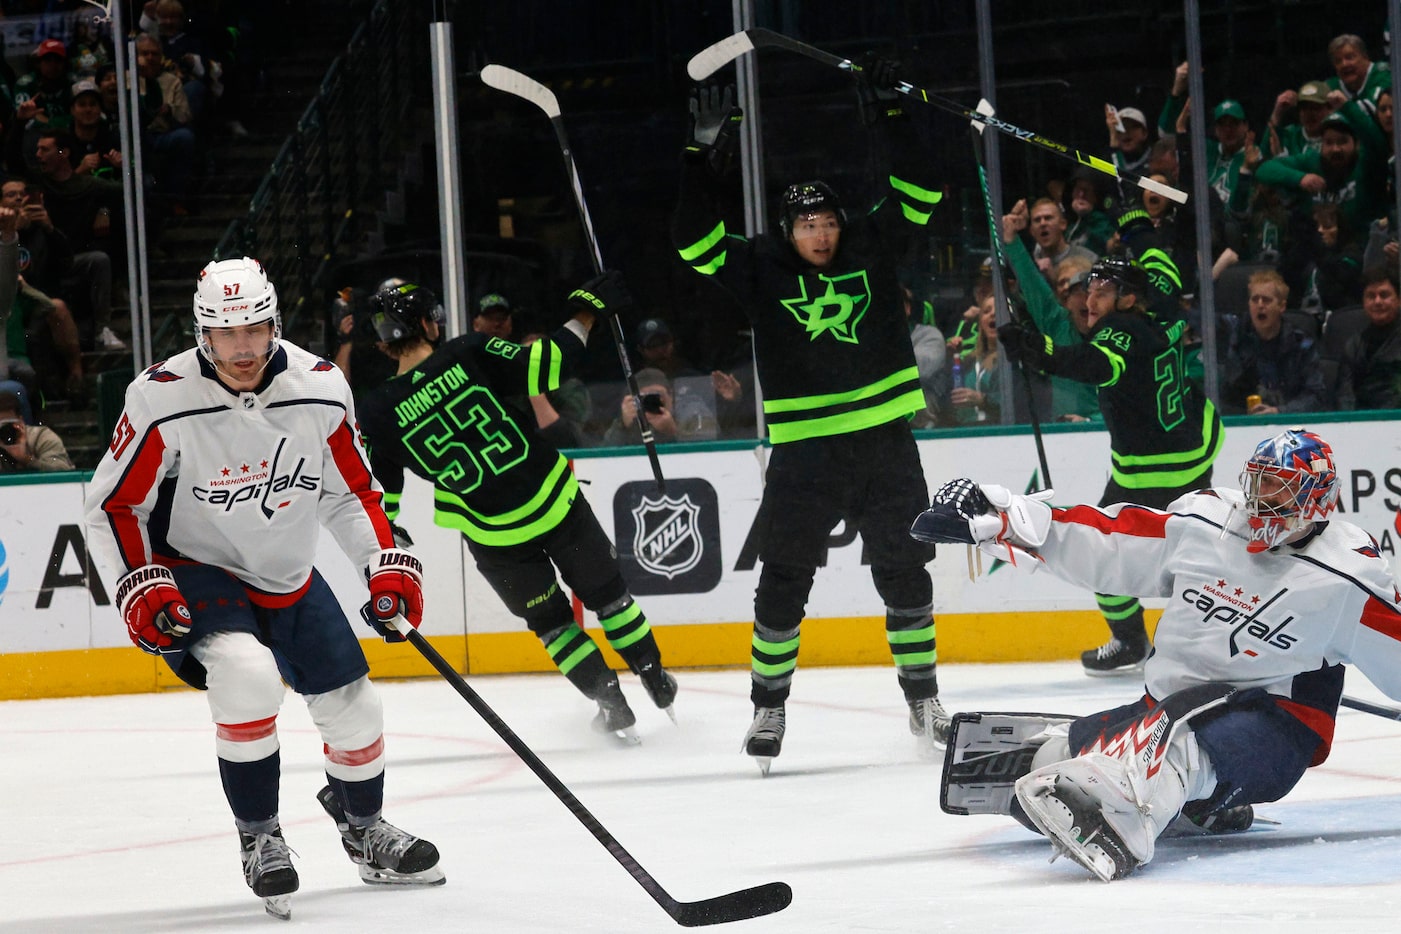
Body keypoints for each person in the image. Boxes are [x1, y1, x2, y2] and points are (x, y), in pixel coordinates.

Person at [83, 257, 443, 920]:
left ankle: (363, 827)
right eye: (226, 334)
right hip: (197, 564)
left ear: (274, 323)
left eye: (253, 328)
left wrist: (380, 561)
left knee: (356, 706)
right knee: (246, 675)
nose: (241, 347)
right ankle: (260, 837)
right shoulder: (160, 396)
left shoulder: (321, 385)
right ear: (202, 335)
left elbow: (351, 492)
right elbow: (113, 506)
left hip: (285, 571)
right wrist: (138, 583)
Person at [911, 428, 1401, 883]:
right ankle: (1196, 807)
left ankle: (1134, 821)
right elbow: (1112, 542)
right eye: (1257, 484)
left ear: (1314, 501)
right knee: (1048, 765)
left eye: (1279, 490)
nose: (1260, 501)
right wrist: (1008, 522)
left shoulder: (1350, 582)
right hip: (1166, 710)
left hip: (1272, 725)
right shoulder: (1207, 524)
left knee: (1173, 754)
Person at [672, 65, 950, 771]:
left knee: (905, 567)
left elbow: (922, 188)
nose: (819, 235)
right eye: (805, 225)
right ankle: (769, 707)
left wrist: (889, 117)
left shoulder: (869, 244)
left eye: (826, 222)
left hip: (884, 441)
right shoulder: (761, 265)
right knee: (783, 580)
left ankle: (923, 698)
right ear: (786, 229)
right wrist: (700, 157)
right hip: (805, 452)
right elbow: (692, 241)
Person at [355, 277, 678, 741]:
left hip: (494, 536)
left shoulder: (377, 410)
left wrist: (389, 530)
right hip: (554, 503)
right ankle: (654, 676)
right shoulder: (468, 351)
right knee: (610, 598)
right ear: (427, 323)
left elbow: (384, 488)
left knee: (551, 625)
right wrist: (586, 311)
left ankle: (610, 701)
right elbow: (546, 366)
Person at [999, 255, 1224, 675]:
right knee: (1195, 556)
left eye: (1103, 291)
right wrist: (1137, 228)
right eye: (1091, 290)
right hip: (1196, 448)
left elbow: (1095, 364)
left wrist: (1037, 349)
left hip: (1151, 471)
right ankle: (1204, 641)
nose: (1091, 299)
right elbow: (1165, 276)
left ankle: (1130, 639)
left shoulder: (1118, 330)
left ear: (1128, 298)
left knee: (1101, 552)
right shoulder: (1161, 312)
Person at [1220, 269, 1328, 415]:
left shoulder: (1302, 345)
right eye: (1254, 299)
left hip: (1289, 424)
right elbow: (1225, 395)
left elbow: (1316, 396)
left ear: (1281, 306)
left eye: (1266, 300)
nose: (1260, 305)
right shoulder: (1236, 338)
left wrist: (1279, 411)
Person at [1335, 266, 1401, 410]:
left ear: (1399, 300)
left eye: (1384, 295)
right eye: (1371, 296)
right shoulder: (1353, 346)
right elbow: (1344, 395)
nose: (1377, 302)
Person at [0, 389, 70, 471]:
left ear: (20, 420)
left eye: (7, 423)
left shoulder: (42, 437)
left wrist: (26, 459)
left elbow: (63, 471)